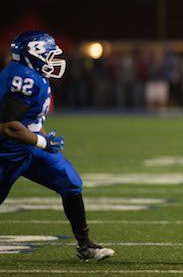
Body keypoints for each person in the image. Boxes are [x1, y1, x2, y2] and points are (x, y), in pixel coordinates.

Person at [0, 31, 114, 261]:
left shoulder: (32, 74)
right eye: (49, 54)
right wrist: (43, 141)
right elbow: (8, 126)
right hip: (7, 151)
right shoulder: (24, 78)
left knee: (70, 182)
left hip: (29, 146)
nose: (53, 59)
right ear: (33, 54)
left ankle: (85, 246)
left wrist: (41, 138)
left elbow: (28, 120)